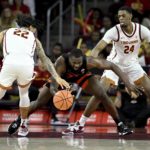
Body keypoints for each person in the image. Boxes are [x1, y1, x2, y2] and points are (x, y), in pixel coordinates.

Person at [8, 48, 140, 136]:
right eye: (74, 63)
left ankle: (120, 125)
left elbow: (112, 65)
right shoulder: (61, 62)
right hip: (61, 78)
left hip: (81, 76)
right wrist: (59, 94)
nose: (76, 65)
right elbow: (54, 85)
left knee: (102, 95)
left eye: (79, 62)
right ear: (69, 59)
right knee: (39, 102)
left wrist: (128, 83)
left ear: (83, 59)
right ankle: (20, 119)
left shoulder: (89, 61)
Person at [62, 6, 150, 135]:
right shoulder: (114, 31)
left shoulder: (142, 30)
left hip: (133, 65)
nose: (120, 18)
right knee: (100, 93)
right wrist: (90, 62)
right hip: (113, 64)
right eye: (119, 16)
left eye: (123, 16)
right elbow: (97, 48)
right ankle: (80, 124)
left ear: (130, 16)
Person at [0, 14, 70, 136]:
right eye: (35, 28)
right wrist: (57, 77)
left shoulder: (7, 31)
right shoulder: (34, 38)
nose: (35, 30)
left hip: (9, 62)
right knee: (24, 94)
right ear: (31, 27)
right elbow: (45, 60)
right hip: (26, 65)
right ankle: (23, 126)